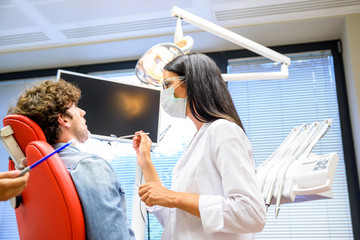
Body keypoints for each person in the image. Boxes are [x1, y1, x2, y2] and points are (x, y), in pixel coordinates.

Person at [133, 53, 266, 240]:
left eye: (167, 84)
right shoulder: (199, 139)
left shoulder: (223, 130)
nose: (164, 93)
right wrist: (145, 160)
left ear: (192, 83)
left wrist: (172, 197)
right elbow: (176, 221)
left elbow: (251, 213)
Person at [8, 80, 135, 240]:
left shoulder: (32, 172)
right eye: (75, 107)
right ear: (63, 119)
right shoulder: (88, 166)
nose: (82, 112)